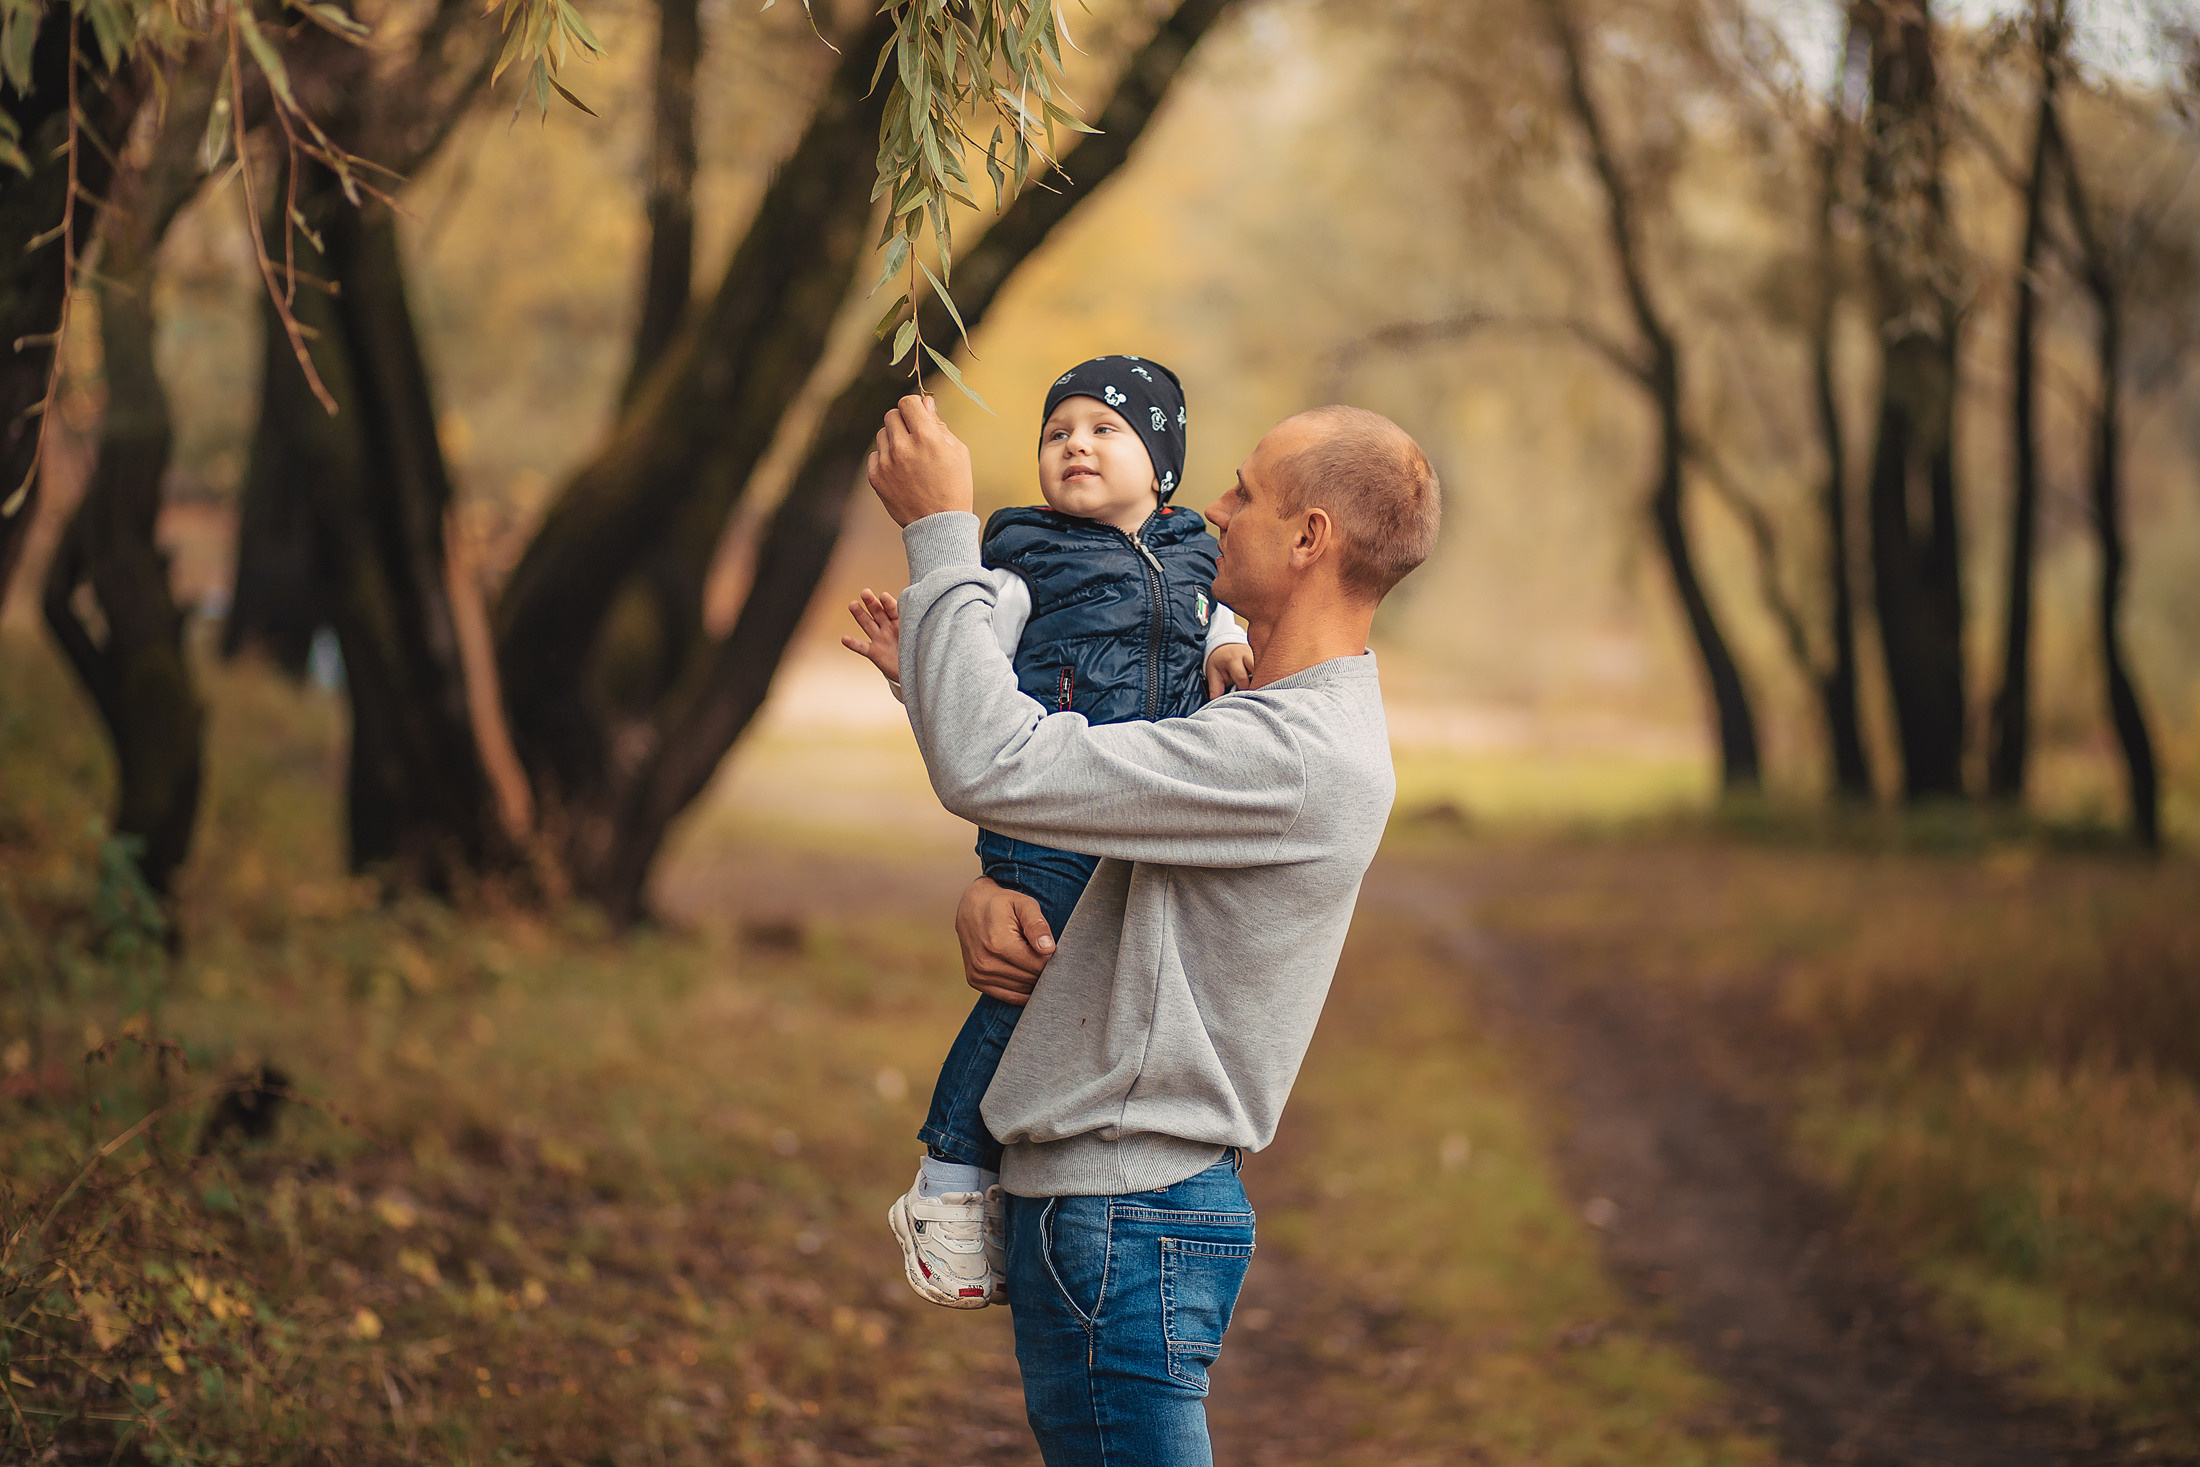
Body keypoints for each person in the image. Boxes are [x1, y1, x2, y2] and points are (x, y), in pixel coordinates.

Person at [863, 390, 1440, 1467]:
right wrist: (993, 885)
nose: (1213, 507)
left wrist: (940, 532)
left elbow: (1005, 763)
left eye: (1246, 493)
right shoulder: (1249, 720)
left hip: (1120, 1211)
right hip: (1119, 1208)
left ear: (1310, 540)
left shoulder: (1287, 755)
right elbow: (1064, 810)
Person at [842, 356, 1256, 1309]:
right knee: (1030, 982)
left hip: (1146, 815)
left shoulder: (1199, 554)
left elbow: (1222, 613)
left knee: (1088, 981)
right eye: (1056, 431)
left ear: (1162, 467)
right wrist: (918, 670)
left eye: (1105, 430)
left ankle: (1033, 1152)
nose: (1075, 444)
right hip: (1050, 819)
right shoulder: (1021, 557)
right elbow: (974, 686)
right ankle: (950, 1176)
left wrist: (1229, 640)